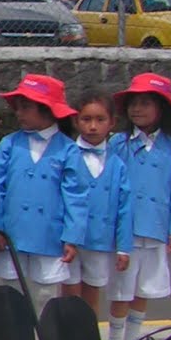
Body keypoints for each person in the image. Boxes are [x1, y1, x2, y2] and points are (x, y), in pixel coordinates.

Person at [105, 72, 171, 340]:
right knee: (122, 289)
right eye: (133, 104)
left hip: (155, 228)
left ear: (162, 109)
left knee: (144, 288)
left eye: (145, 103)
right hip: (126, 230)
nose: (137, 110)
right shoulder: (118, 144)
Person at [0, 73, 86, 315]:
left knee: (46, 294)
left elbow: (76, 195)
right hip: (13, 230)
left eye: (26, 107)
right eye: (18, 107)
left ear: (47, 110)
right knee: (11, 291)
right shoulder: (9, 144)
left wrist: (72, 236)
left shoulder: (68, 149)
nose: (19, 113)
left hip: (49, 233)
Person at [64, 89, 133, 316]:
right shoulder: (66, 154)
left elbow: (125, 207)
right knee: (70, 293)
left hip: (100, 239)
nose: (92, 127)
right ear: (76, 121)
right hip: (69, 239)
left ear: (112, 122)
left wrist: (123, 247)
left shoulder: (117, 164)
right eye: (86, 119)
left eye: (100, 120)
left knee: (92, 294)